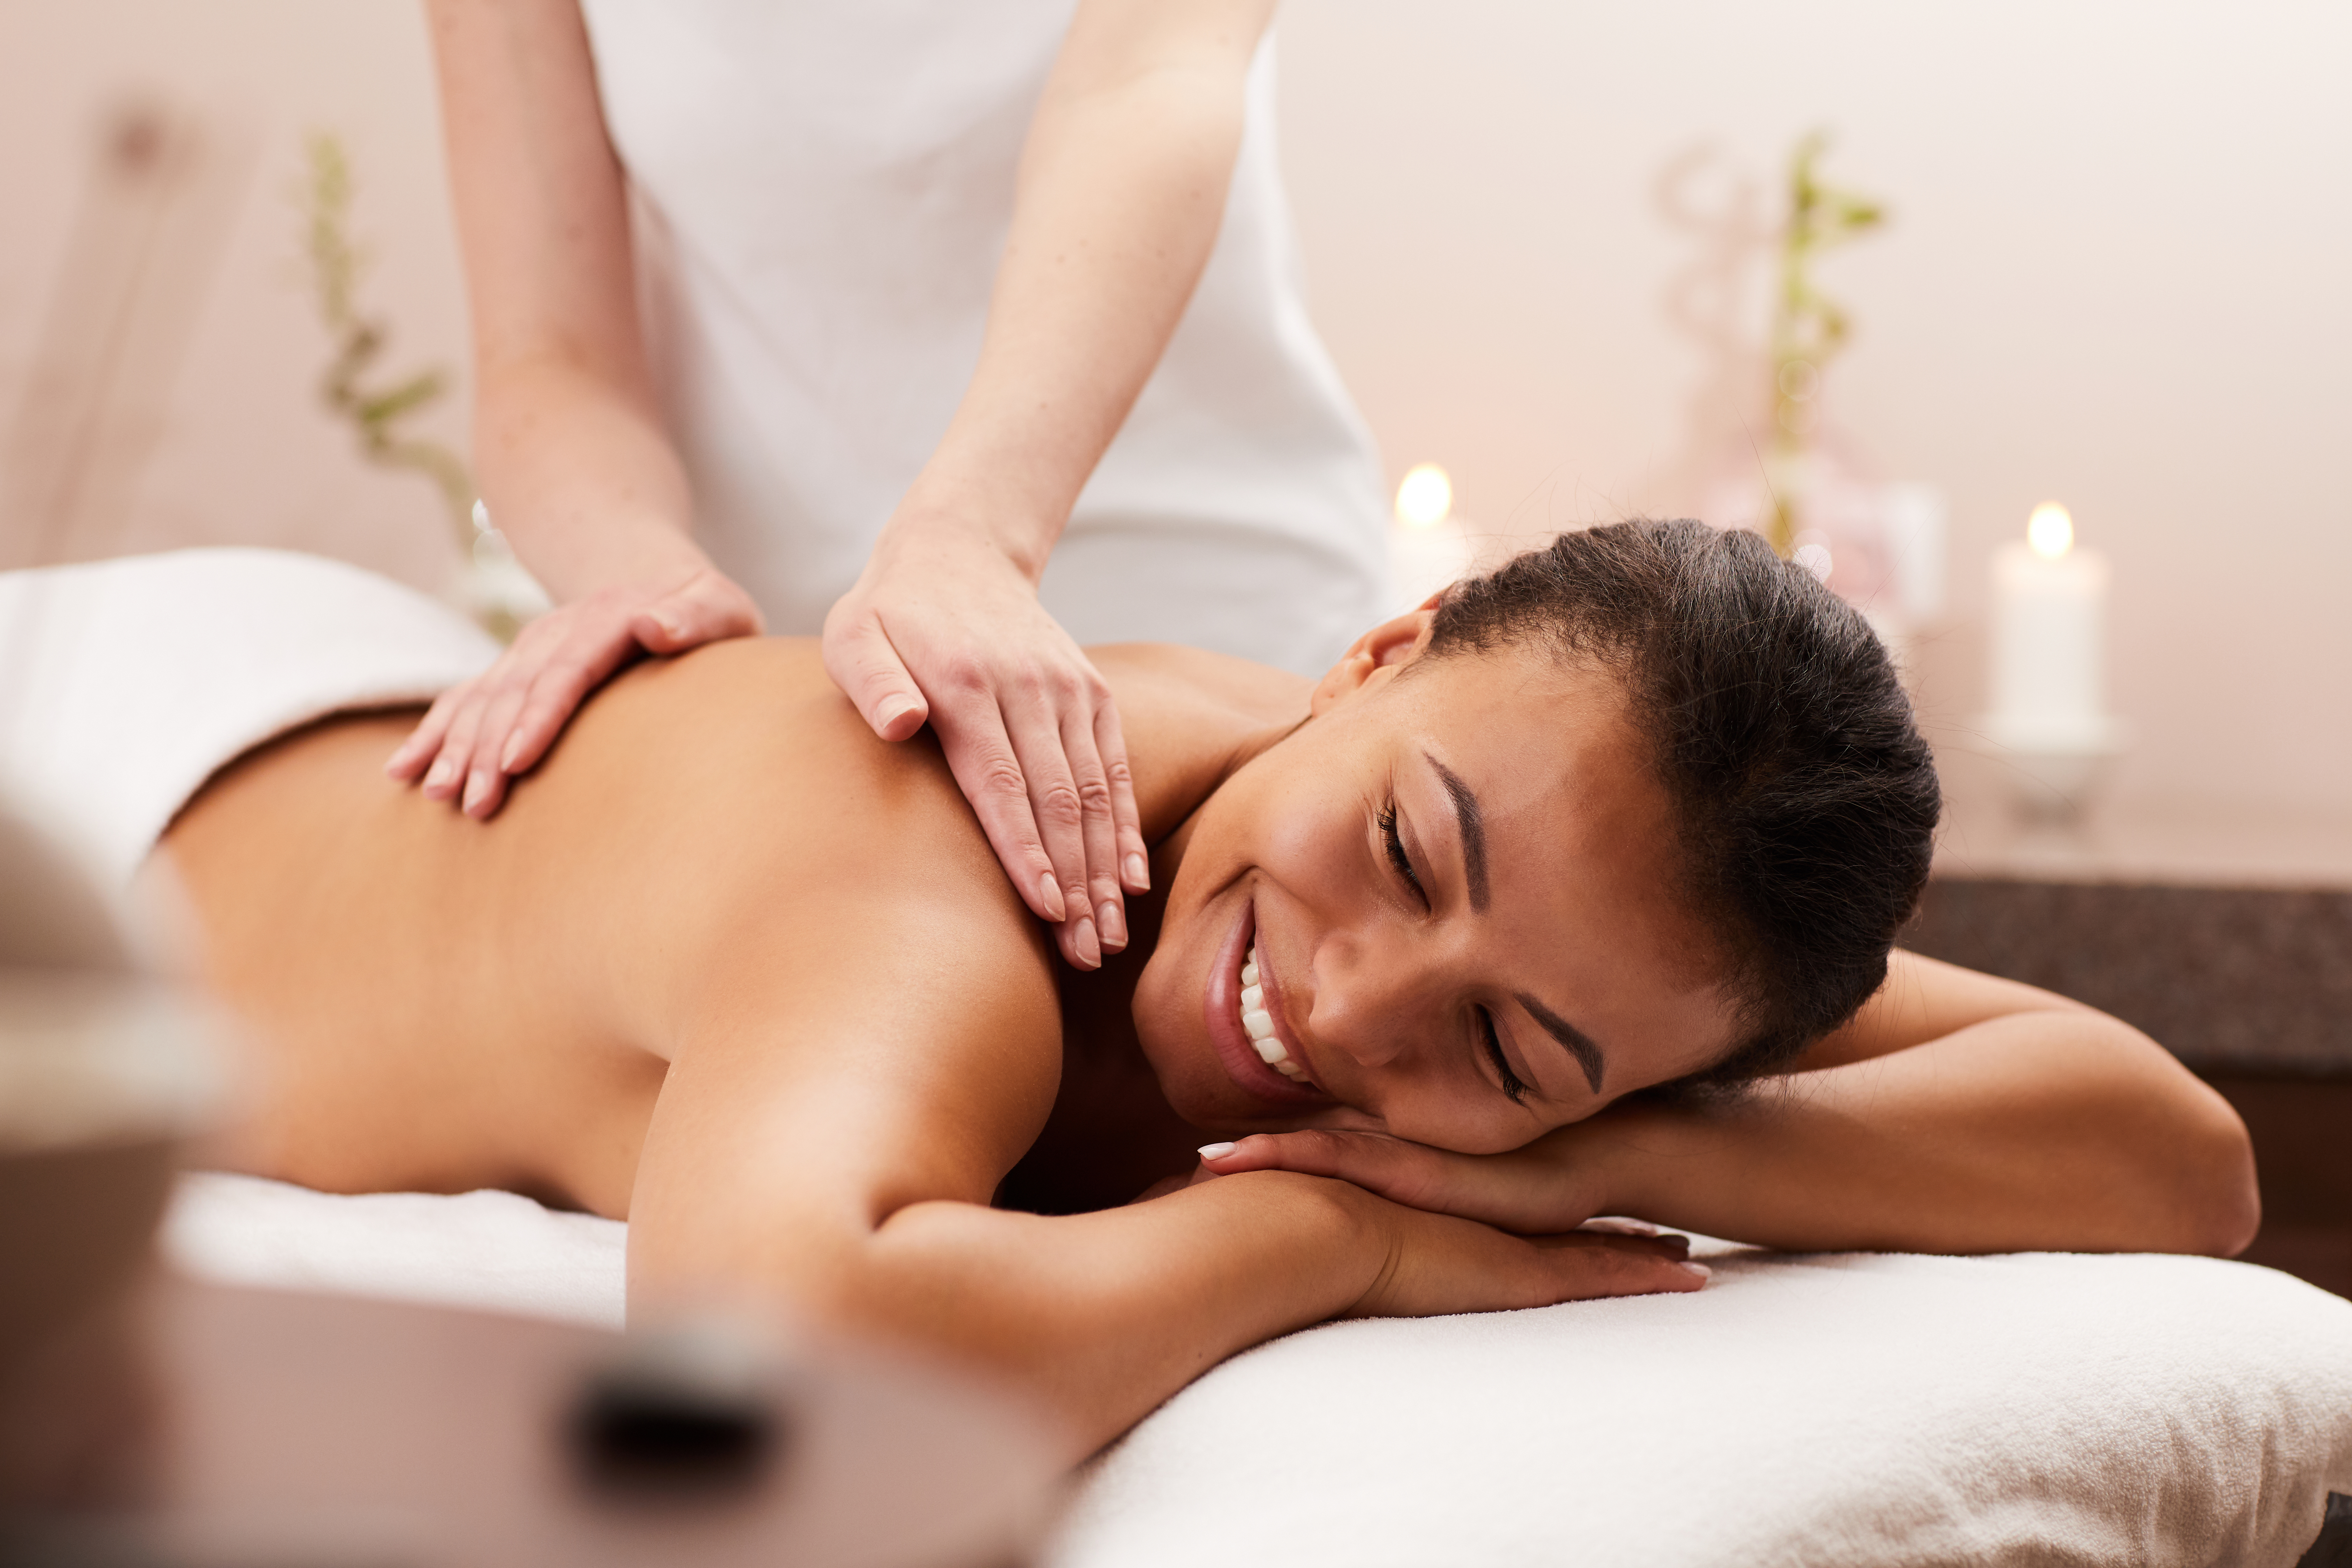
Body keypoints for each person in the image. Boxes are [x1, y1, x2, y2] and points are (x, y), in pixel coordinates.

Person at [152, 524, 2255, 1455]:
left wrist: (1608, 1149)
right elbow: (769, 1383)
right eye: (1410, 852)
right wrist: (1329, 1229)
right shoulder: (929, 856)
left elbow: (2177, 1158)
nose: (1352, 1011)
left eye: (1512, 1047)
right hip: (101, 795)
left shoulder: (1574, 916)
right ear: (1384, 645)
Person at [390, 0, 1393, 975]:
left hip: (1213, 621)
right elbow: (550, 353)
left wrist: (973, 536)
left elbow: (1145, 87)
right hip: (815, 697)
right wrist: (645, 583)